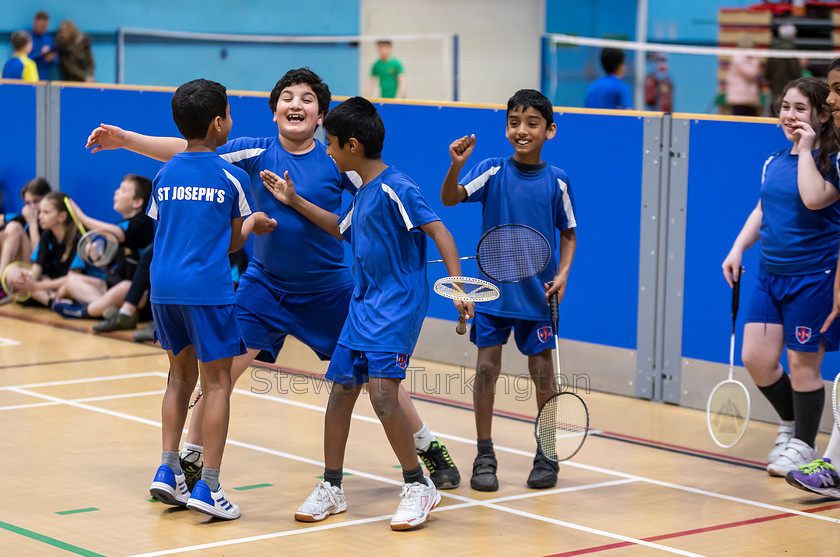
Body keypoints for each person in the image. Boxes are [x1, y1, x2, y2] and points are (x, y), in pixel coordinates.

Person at [85, 68, 462, 492]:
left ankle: (427, 445)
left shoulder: (339, 160)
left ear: (322, 117)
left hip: (329, 292)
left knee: (378, 376)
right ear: (273, 112)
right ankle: (190, 461)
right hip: (263, 288)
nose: (295, 103)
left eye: (306, 98)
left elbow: (380, 193)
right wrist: (127, 140)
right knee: (220, 374)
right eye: (287, 96)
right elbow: (192, 151)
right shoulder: (254, 153)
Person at [261, 96, 471, 530]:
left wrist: (457, 287)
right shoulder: (362, 191)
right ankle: (333, 488)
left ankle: (418, 485)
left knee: (382, 396)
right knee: (339, 393)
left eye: (331, 144)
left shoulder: (398, 186)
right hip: (363, 305)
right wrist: (294, 200)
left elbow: (442, 232)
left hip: (397, 308)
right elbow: (340, 229)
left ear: (352, 146)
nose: (327, 152)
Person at [146, 78, 275, 520]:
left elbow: (165, 230)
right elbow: (231, 247)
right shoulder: (231, 176)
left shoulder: (165, 173)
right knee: (216, 383)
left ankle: (167, 471)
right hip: (207, 291)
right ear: (219, 123)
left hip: (163, 290)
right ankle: (210, 487)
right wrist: (253, 222)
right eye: (230, 116)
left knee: (177, 378)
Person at [440, 89, 578, 491]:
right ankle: (485, 454)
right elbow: (450, 199)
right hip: (493, 294)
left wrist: (564, 273)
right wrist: (455, 166)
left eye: (532, 123)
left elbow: (569, 233)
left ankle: (547, 451)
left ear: (549, 130)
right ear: (506, 128)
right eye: (515, 123)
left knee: (542, 374)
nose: (522, 130)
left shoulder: (558, 181)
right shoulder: (492, 169)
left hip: (537, 294)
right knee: (485, 370)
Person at [722, 77, 840, 477]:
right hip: (770, 275)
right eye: (785, 107)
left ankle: (805, 445)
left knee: (803, 364)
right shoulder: (773, 161)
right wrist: (739, 248)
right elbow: (763, 208)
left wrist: (808, 148)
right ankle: (792, 425)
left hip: (814, 278)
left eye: (801, 109)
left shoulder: (833, 162)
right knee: (756, 357)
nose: (790, 115)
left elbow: (812, 198)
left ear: (823, 115)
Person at [784, 59, 840, 499]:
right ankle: (833, 466)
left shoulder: (828, 160)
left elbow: (815, 199)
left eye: (838, 89)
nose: (832, 97)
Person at [51, 174, 154, 321]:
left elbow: (119, 235)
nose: (116, 192)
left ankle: (85, 312)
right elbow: (111, 267)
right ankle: (110, 311)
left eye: (123, 190)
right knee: (73, 280)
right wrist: (97, 256)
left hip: (139, 295)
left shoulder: (143, 223)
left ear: (137, 202)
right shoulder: (119, 224)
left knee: (125, 287)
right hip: (115, 288)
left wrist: (83, 219)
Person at [15, 192, 86, 307]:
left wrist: (36, 286)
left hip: (73, 284)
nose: (40, 216)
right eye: (41, 212)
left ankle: (51, 300)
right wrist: (27, 281)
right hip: (52, 282)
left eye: (46, 212)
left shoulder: (79, 238)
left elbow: (73, 277)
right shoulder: (47, 235)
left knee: (66, 288)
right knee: (17, 275)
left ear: (62, 216)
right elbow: (37, 267)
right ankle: (51, 301)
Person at [0, 178, 51, 292]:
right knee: (5, 231)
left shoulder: (49, 222)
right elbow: (4, 219)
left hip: (37, 270)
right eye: (28, 203)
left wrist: (32, 223)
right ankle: (3, 279)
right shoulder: (25, 216)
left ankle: (2, 283)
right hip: (20, 267)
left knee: (14, 228)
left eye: (36, 201)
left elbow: (38, 256)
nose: (32, 207)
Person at [764, 24, 801, 115]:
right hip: (789, 88)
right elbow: (795, 72)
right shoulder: (791, 50)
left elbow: (767, 72)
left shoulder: (773, 49)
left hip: (775, 88)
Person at [725, 34, 762, 117]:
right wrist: (756, 60)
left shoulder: (748, 57)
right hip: (740, 97)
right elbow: (752, 73)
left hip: (748, 98)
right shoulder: (738, 58)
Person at [29, 11, 56, 80]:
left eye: (45, 26)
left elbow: (57, 59)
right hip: (29, 76)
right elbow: (22, 57)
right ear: (34, 23)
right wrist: (39, 54)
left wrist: (52, 58)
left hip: (45, 76)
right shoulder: (27, 37)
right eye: (41, 26)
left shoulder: (49, 39)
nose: (43, 28)